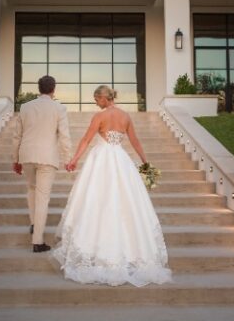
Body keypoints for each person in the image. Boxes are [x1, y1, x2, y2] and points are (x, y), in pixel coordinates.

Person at [51, 85, 172, 286]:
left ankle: (97, 250)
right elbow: (135, 142)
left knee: (98, 200)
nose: (95, 103)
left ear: (104, 98)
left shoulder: (100, 117)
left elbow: (86, 140)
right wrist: (145, 164)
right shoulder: (125, 117)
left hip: (102, 160)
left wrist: (74, 160)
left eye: (96, 99)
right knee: (125, 203)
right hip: (120, 159)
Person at [12, 75, 74, 253]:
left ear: (39, 89)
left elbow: (17, 136)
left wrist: (15, 159)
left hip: (27, 155)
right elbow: (64, 136)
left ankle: (34, 223)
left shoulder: (25, 107)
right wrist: (67, 159)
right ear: (53, 89)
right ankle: (37, 241)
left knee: (31, 189)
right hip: (47, 157)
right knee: (42, 198)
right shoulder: (59, 108)